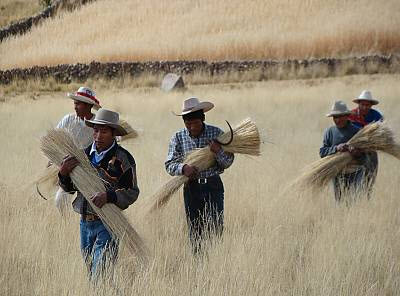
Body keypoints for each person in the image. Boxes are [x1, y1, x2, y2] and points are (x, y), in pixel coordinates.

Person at [58, 108, 139, 279]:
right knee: (93, 275)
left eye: (104, 131)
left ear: (114, 134)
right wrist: (63, 173)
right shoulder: (82, 156)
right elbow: (70, 188)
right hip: (85, 223)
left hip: (108, 224)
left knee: (99, 275)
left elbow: (132, 192)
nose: (98, 136)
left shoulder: (123, 159)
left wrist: (108, 196)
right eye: (96, 130)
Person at [165, 97, 234, 252]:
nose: (191, 127)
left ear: (202, 118)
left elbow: (228, 162)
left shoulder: (216, 134)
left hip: (213, 185)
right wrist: (183, 169)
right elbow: (169, 165)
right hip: (191, 188)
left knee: (215, 226)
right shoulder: (178, 137)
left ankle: (216, 259)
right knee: (195, 228)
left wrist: (218, 152)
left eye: (194, 123)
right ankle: (198, 262)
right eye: (187, 124)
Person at [54, 87, 102, 213]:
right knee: (60, 201)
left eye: (78, 104)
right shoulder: (68, 120)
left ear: (88, 106)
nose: (75, 107)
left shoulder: (98, 124)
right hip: (69, 169)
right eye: (74, 103)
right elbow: (55, 139)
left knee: (92, 205)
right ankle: (64, 226)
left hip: (91, 172)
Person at [320, 100, 369, 202]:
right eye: (335, 117)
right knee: (340, 202)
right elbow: (322, 152)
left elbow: (365, 158)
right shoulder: (330, 132)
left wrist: (357, 153)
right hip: (338, 173)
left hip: (355, 172)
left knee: (355, 202)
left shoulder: (357, 131)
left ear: (347, 116)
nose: (337, 120)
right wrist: (336, 148)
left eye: (340, 116)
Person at [348, 90, 383, 193]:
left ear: (371, 105)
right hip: (352, 152)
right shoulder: (350, 115)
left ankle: (365, 200)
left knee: (368, 181)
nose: (365, 107)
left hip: (370, 151)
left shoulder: (376, 116)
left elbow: (380, 133)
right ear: (358, 104)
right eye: (362, 104)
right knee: (352, 182)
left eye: (367, 105)